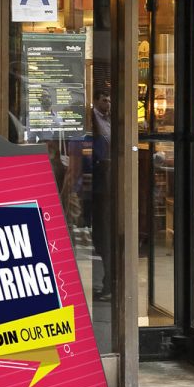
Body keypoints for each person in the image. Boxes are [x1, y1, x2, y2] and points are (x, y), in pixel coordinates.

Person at [91, 89, 112, 301]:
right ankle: (108, 283)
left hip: (107, 182)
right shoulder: (92, 119)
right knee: (100, 232)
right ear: (96, 99)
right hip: (96, 179)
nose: (108, 104)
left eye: (110, 101)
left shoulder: (111, 119)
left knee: (106, 232)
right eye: (104, 99)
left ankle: (109, 283)